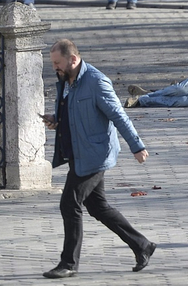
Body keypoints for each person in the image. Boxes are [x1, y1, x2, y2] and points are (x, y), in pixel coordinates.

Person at [41, 39, 156, 279]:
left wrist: (137, 146)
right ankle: (142, 245)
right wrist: (56, 119)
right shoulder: (66, 81)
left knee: (69, 203)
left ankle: (69, 263)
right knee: (98, 207)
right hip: (77, 153)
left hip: (94, 155)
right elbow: (74, 113)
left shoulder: (96, 82)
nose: (55, 68)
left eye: (57, 63)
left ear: (73, 59)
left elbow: (118, 115)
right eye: (53, 63)